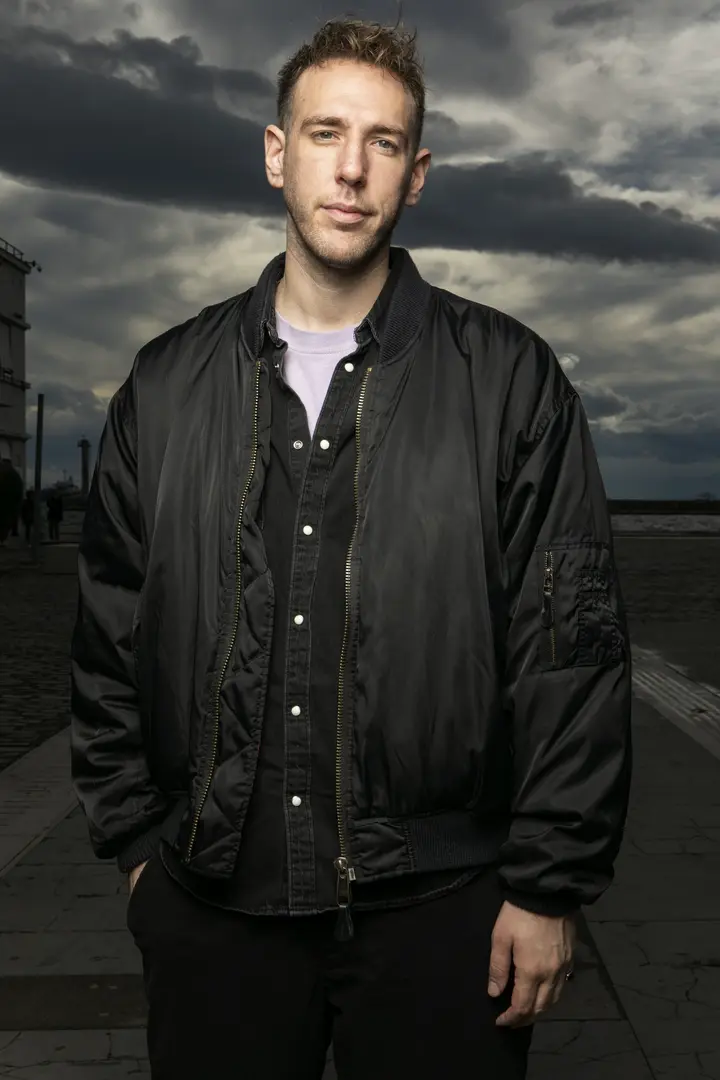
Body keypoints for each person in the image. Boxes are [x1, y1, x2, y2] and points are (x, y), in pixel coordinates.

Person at [70, 17, 632, 1080]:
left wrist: (549, 886)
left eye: (383, 142)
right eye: (326, 133)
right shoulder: (166, 382)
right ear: (276, 153)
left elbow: (573, 648)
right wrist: (138, 851)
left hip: (444, 909)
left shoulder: (509, 378)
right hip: (214, 906)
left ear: (415, 175)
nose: (351, 168)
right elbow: (108, 635)